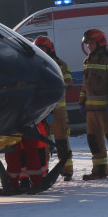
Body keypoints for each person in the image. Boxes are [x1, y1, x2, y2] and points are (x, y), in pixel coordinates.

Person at [78, 29, 108, 180]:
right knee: (94, 141)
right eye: (87, 44)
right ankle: (99, 171)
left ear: (99, 42)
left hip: (107, 110)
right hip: (91, 110)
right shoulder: (88, 61)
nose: (89, 46)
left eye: (91, 43)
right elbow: (85, 85)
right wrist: (82, 101)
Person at [33, 36, 74, 180]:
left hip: (57, 110)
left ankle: (66, 169)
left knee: (61, 139)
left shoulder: (60, 65)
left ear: (50, 49)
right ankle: (45, 170)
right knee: (43, 141)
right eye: (38, 48)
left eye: (42, 48)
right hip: (42, 110)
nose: (40, 51)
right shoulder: (35, 64)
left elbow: (68, 82)